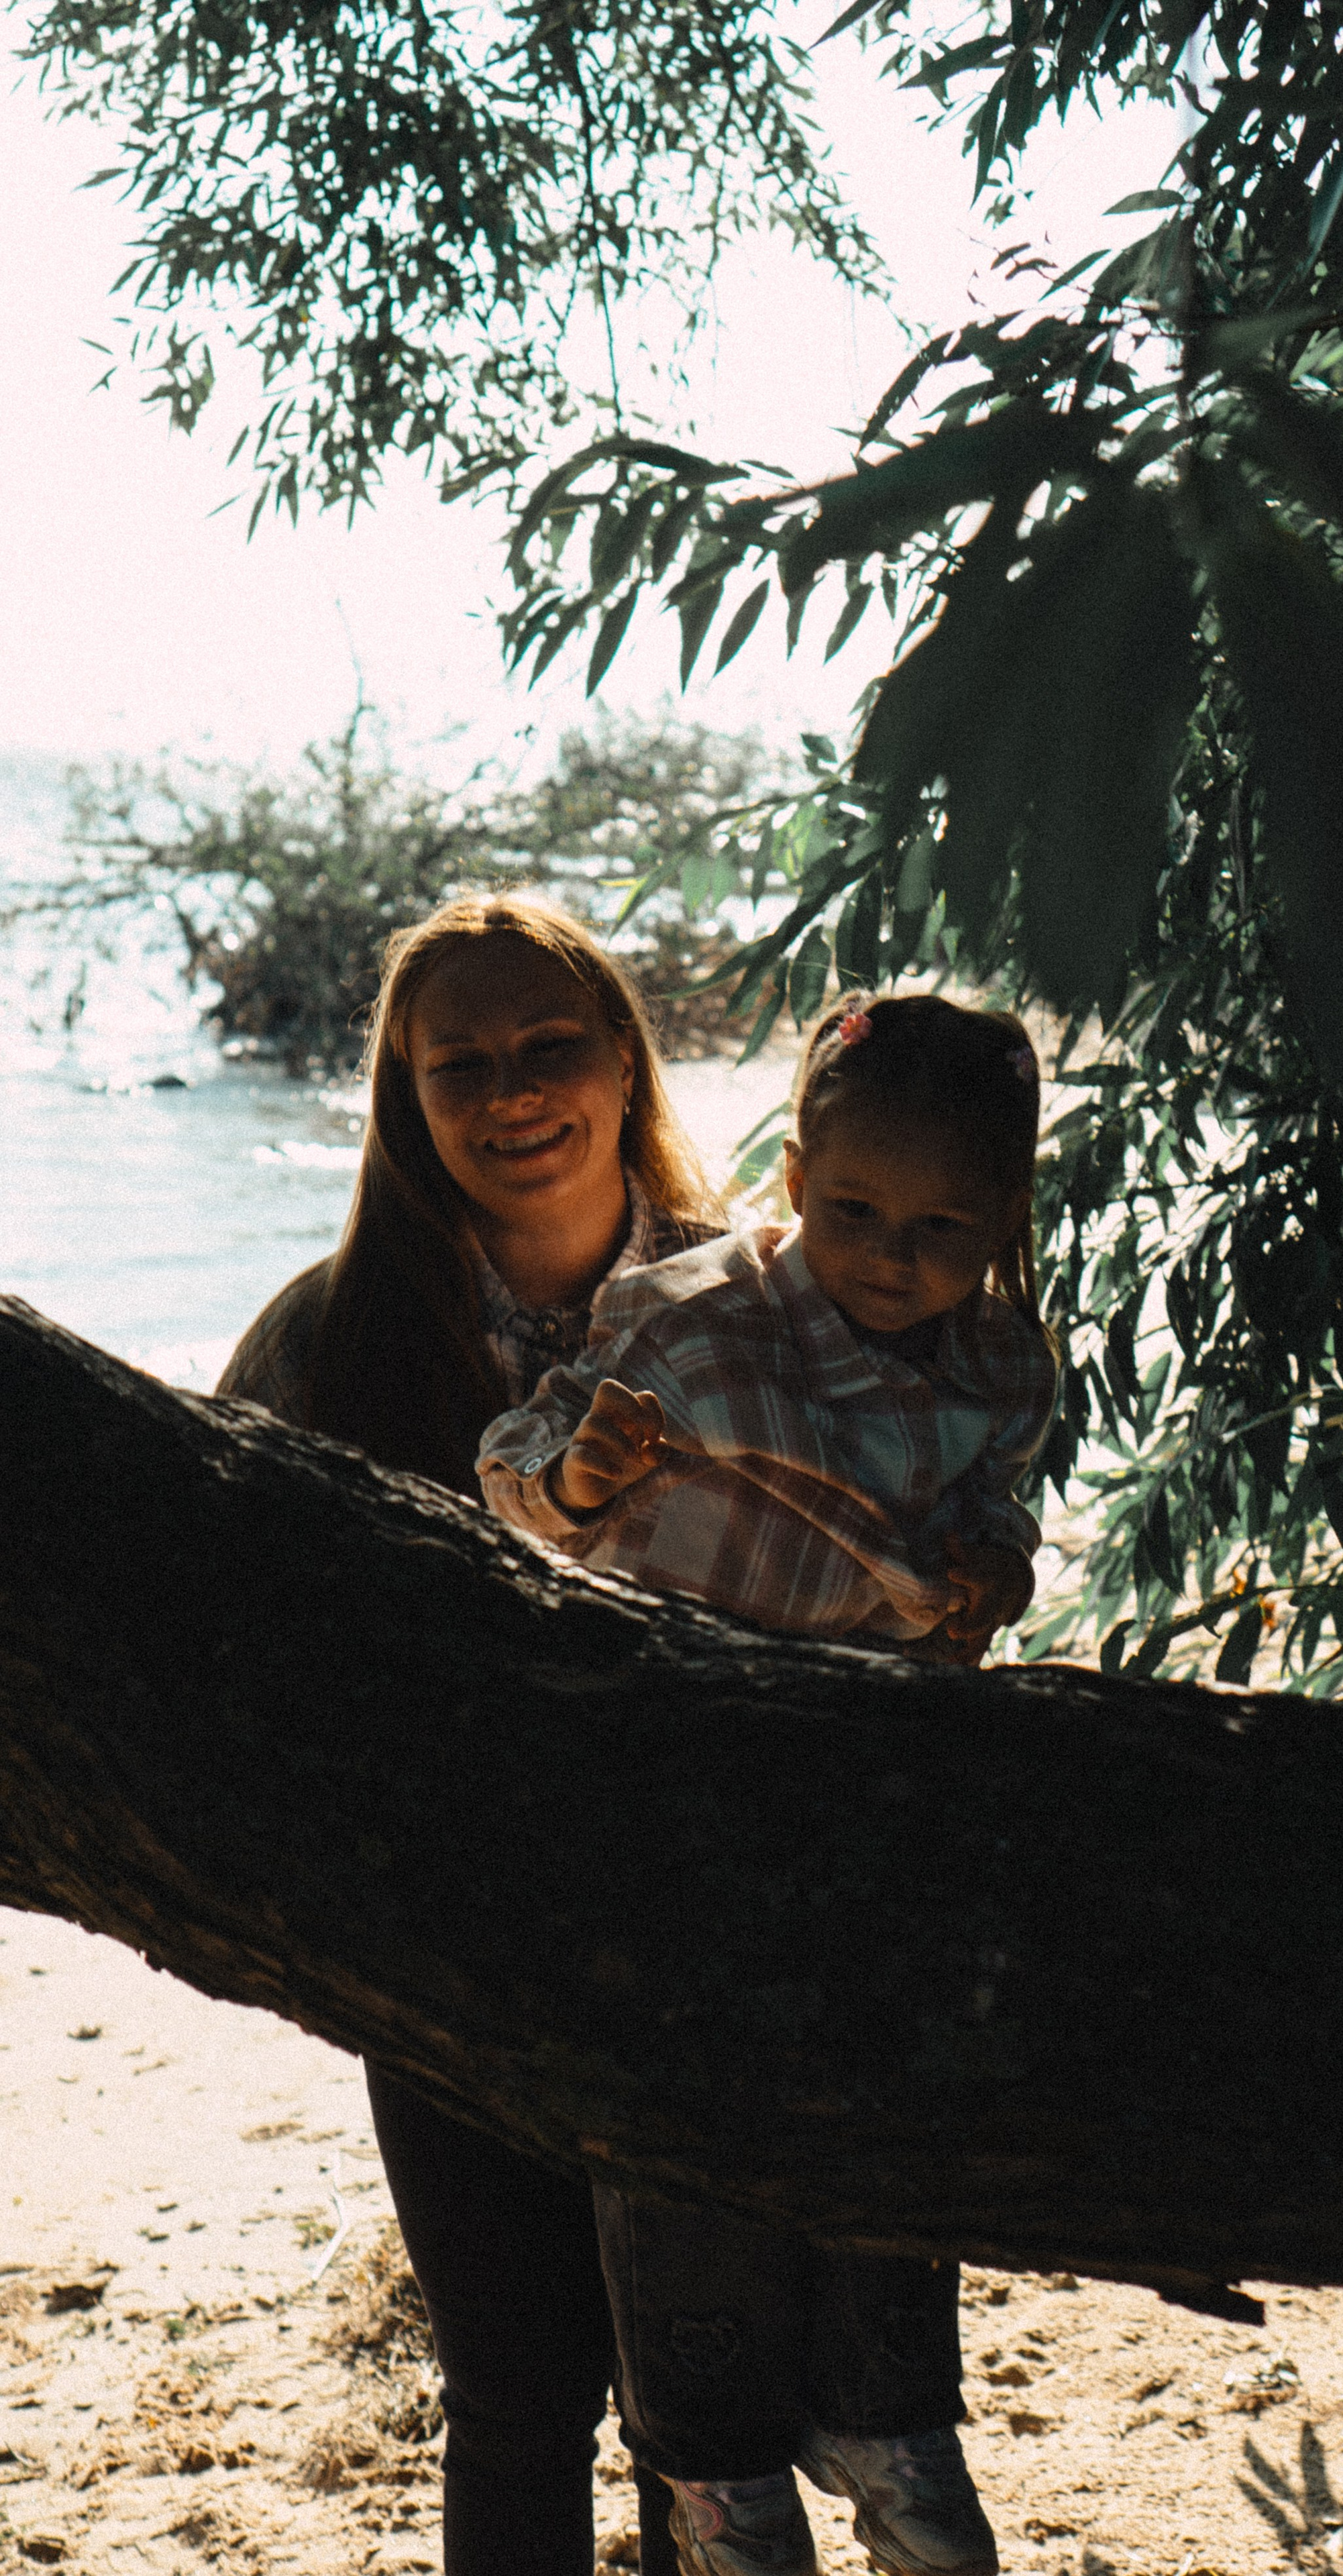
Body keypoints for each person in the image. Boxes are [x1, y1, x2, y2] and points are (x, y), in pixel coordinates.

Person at [478, 994, 1059, 2576]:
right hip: (682, 1775)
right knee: (686, 2113)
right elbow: (519, 1466)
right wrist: (582, 1474)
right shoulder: (691, 1322)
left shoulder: (999, 1356)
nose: (890, 1254)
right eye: (856, 1209)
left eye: (944, 1227)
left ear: (1005, 1217)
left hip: (878, 1776)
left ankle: (885, 2415)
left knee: (885, 2077)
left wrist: (980, 1577)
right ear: (794, 1175)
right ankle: (715, 2465)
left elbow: (1002, 1515)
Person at [219, 890, 721, 2576]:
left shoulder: (760, 1311)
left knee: (704, 2403)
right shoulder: (328, 1336)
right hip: (447, 1950)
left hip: (712, 1935)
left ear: (621, 1058)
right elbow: (215, 1625)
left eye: (547, 1045)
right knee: (515, 2391)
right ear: (406, 1099)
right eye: (464, 1064)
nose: (513, 1092)